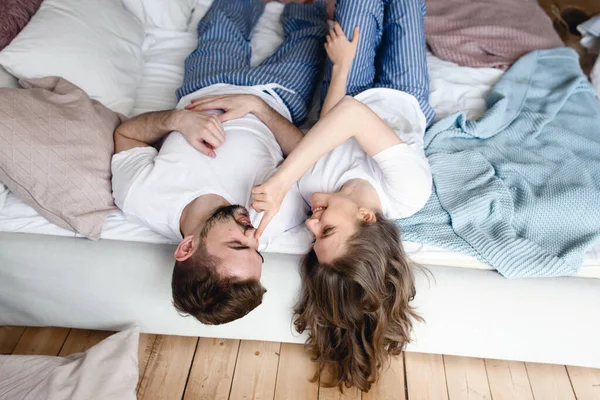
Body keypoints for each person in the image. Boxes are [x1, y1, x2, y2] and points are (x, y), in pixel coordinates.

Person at [249, 0, 434, 391]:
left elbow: (329, 121)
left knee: (356, 9)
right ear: (366, 217)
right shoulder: (409, 193)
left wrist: (341, 67)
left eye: (312, 237)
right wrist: (284, 177)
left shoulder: (311, 185)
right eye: (326, 231)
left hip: (349, 85)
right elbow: (351, 117)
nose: (310, 222)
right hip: (404, 96)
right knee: (406, 8)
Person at [110, 0, 328, 325]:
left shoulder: (140, 197)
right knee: (312, 32)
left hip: (207, 85)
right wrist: (257, 106)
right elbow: (312, 154)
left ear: (187, 247)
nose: (252, 235)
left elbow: (127, 135)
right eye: (257, 252)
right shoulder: (273, 218)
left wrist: (175, 120)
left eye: (238, 245)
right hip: (277, 96)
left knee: (223, 16)